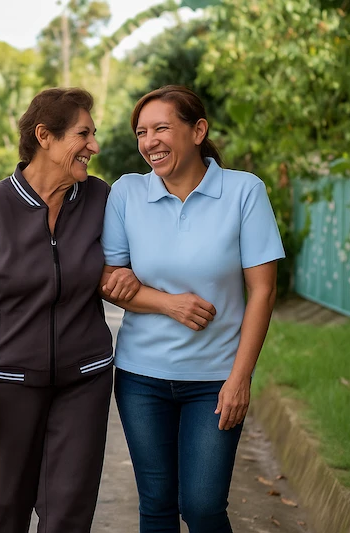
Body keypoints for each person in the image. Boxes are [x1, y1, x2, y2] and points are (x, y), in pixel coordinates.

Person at [100, 85, 285, 533]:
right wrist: (168, 303)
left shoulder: (244, 191)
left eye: (162, 128)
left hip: (215, 380)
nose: (150, 142)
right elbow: (110, 280)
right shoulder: (126, 193)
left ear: (198, 130)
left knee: (202, 507)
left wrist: (239, 379)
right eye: (141, 132)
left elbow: (262, 291)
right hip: (140, 377)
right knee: (157, 506)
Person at [0, 87, 116, 533]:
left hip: (84, 381)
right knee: (7, 511)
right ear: (45, 136)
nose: (94, 146)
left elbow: (135, 261)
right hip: (8, 385)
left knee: (68, 516)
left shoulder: (101, 200)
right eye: (83, 135)